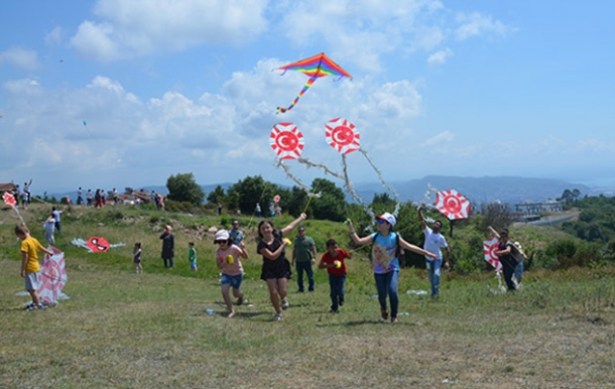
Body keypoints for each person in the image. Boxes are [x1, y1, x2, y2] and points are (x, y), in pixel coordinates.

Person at [347, 212, 436, 323]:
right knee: (382, 295)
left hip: (392, 268)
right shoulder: (375, 236)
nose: (378, 224)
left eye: (381, 222)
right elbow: (358, 241)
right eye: (378, 221)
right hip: (378, 270)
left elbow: (410, 247)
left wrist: (427, 253)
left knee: (392, 291)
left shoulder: (395, 237)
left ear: (389, 225)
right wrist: (350, 227)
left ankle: (394, 316)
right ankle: (383, 308)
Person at [257, 212, 307, 321]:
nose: (266, 230)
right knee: (273, 292)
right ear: (260, 231)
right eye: (263, 228)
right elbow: (273, 256)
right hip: (269, 268)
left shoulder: (278, 235)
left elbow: (290, 227)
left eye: (267, 227)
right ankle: (278, 312)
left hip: (282, 266)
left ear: (272, 228)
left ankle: (284, 298)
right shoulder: (261, 245)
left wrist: (301, 218)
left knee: (282, 291)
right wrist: (283, 245)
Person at [15, 225, 54, 310]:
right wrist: (49, 252)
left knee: (32, 289)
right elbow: (40, 248)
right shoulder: (34, 240)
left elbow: (25, 257)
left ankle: (38, 305)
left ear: (20, 234)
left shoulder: (24, 243)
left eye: (18, 236)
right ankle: (34, 302)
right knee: (31, 288)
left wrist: (22, 270)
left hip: (30, 267)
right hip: (36, 266)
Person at [215, 229, 248, 318]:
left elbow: (245, 257)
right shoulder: (218, 252)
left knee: (235, 293)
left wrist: (243, 248)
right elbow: (219, 266)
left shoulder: (234, 248)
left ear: (228, 240)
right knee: (224, 291)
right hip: (226, 274)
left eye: (224, 241)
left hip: (237, 273)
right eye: (219, 242)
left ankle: (241, 296)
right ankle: (231, 310)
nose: (221, 243)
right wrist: (225, 262)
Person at [418, 206, 450, 298]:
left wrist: (447, 261)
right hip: (428, 259)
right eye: (435, 223)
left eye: (438, 224)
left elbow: (447, 249)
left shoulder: (441, 237)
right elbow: (422, 221)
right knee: (431, 277)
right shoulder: (428, 232)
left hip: (437, 258)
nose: (435, 225)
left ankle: (435, 293)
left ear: (439, 228)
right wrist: (420, 211)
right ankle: (434, 292)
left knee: (436, 274)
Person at [318, 239, 351, 313]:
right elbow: (320, 266)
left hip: (342, 274)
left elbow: (349, 257)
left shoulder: (341, 251)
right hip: (332, 275)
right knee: (333, 292)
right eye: (333, 248)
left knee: (340, 289)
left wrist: (350, 254)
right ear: (328, 249)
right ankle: (334, 307)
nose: (335, 249)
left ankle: (341, 298)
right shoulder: (326, 255)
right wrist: (332, 265)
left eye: (336, 247)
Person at [488, 226, 522, 291]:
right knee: (506, 278)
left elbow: (508, 250)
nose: (502, 238)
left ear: (507, 237)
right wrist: (491, 229)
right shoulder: (501, 241)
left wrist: (499, 252)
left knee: (508, 277)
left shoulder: (508, 243)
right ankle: (512, 289)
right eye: (502, 237)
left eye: (504, 237)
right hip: (505, 264)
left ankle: (513, 289)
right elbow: (496, 235)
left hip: (510, 263)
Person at [292, 226, 317, 292]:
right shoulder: (296, 240)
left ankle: (311, 288)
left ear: (305, 232)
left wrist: (314, 258)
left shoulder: (309, 239)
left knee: (310, 275)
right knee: (299, 276)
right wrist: (293, 260)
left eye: (302, 231)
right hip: (299, 261)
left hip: (307, 260)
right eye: (300, 231)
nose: (301, 232)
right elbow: (294, 250)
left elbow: (314, 249)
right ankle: (301, 288)